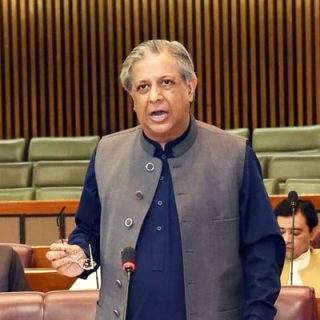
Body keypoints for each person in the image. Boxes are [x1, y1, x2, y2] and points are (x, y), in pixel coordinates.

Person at [46, 39, 285, 320]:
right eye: (143, 87)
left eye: (167, 83)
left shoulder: (234, 156)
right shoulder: (106, 154)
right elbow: (90, 231)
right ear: (133, 98)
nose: (155, 96)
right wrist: (80, 257)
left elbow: (263, 250)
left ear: (190, 87)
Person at [275, 198, 320, 295]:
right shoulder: (262, 262)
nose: (286, 240)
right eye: (281, 232)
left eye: (295, 233)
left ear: (312, 233)